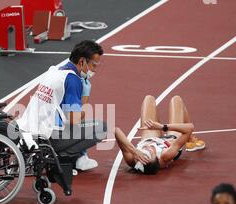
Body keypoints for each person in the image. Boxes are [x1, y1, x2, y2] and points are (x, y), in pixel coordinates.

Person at [17, 40, 107, 171]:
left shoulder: (55, 71)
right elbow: (74, 119)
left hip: (27, 129)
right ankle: (63, 157)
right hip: (48, 136)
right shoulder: (73, 80)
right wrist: (85, 97)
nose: (95, 70)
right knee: (102, 128)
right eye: (93, 65)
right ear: (82, 61)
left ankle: (76, 155)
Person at [115, 95, 205, 174]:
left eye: (144, 153)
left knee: (149, 99)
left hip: (150, 138)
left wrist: (135, 151)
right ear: (157, 158)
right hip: (170, 142)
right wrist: (162, 127)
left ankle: (156, 129)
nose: (148, 148)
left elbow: (116, 130)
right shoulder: (165, 156)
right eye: (151, 152)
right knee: (176, 100)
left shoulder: (133, 159)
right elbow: (189, 128)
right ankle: (191, 140)